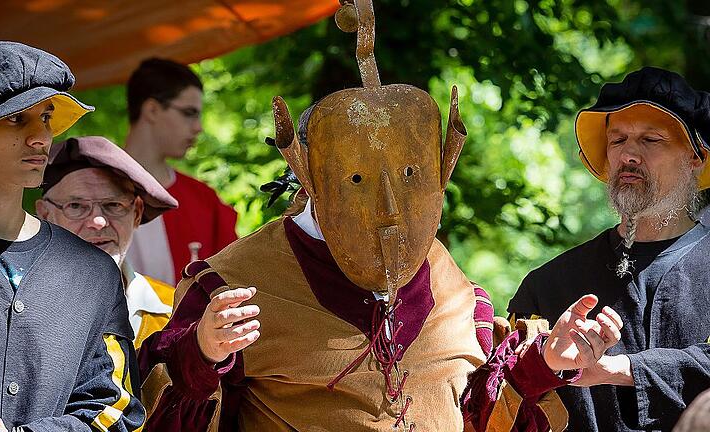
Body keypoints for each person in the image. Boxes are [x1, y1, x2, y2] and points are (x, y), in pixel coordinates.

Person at [138, 3, 623, 430]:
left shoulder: (448, 285)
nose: (389, 204)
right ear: (307, 174)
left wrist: (545, 361)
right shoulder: (233, 285)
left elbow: (481, 407)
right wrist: (202, 354)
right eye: (356, 177)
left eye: (408, 174)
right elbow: (171, 406)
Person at [0, 41, 144, 431]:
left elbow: (116, 412)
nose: (41, 138)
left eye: (47, 118)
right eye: (17, 120)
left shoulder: (93, 272)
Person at [508, 67, 710, 431]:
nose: (628, 155)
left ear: (696, 158)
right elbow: (501, 396)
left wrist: (622, 369)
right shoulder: (548, 286)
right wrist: (546, 361)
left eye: (651, 140)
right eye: (617, 141)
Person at [37, 136, 178, 350]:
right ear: (45, 215)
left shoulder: (175, 309)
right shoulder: (22, 307)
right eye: (76, 206)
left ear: (137, 214)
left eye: (113, 205)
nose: (98, 222)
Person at [124, 58, 237, 285]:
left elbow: (235, 281)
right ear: (152, 110)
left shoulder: (204, 201)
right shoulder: (86, 189)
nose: (198, 127)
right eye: (189, 113)